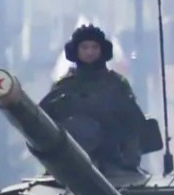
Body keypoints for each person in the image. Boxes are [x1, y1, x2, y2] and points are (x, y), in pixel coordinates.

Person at [40, 24, 156, 175]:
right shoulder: (64, 87)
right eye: (85, 47)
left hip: (113, 163)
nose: (90, 52)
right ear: (76, 50)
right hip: (70, 166)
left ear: (102, 50)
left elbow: (133, 125)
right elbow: (44, 125)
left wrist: (129, 162)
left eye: (95, 47)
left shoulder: (115, 85)